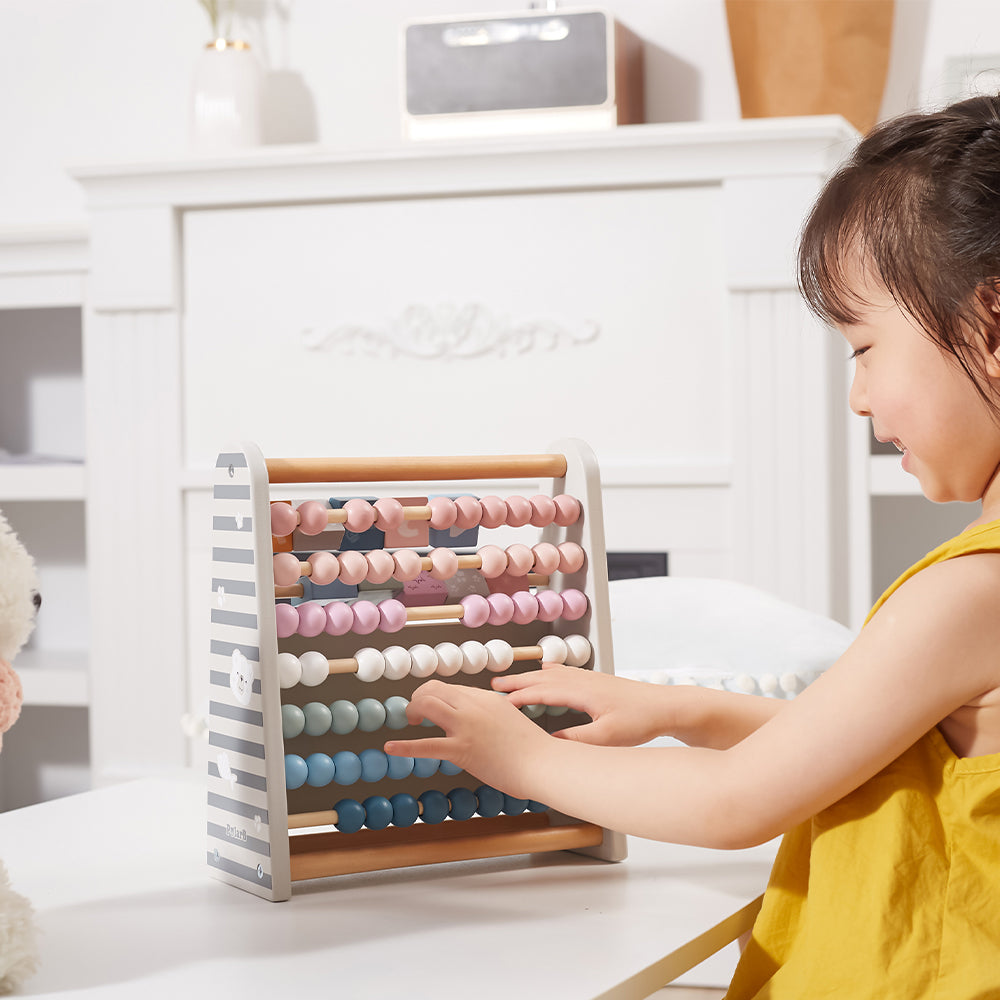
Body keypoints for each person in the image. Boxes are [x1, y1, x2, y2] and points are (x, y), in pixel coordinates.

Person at [385, 94, 1000, 997]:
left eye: (864, 347)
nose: (859, 397)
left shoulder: (969, 593)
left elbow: (735, 804)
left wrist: (523, 759)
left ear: (992, 323)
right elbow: (877, 749)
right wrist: (685, 709)